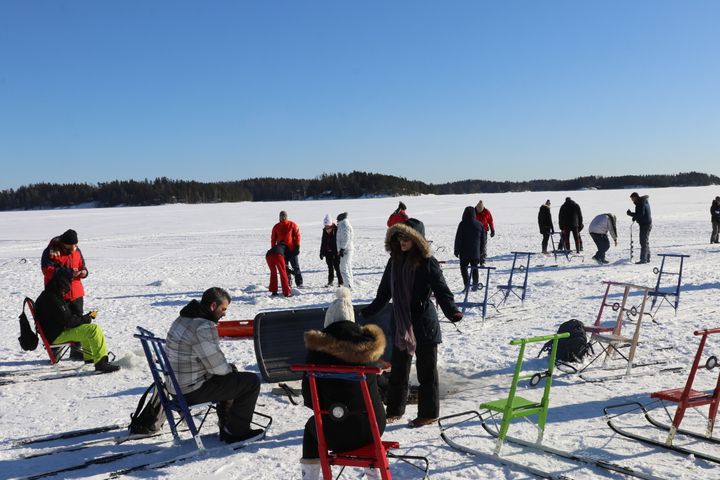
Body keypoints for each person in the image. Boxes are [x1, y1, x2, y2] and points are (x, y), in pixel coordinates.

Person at [361, 218, 462, 428]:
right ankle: (395, 410)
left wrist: (452, 312)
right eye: (399, 237)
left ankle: (428, 413)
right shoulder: (394, 261)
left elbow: (441, 290)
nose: (402, 241)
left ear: (417, 240)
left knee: (427, 373)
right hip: (401, 324)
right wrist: (367, 312)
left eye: (407, 237)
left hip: (424, 323)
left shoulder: (427, 262)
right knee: (398, 370)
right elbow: (384, 293)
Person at [300, 288, 387, 479]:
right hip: (373, 427)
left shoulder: (316, 353)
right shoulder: (369, 349)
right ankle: (373, 474)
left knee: (311, 427)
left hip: (335, 432)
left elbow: (309, 400)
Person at [166, 287, 263, 443]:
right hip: (190, 391)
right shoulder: (202, 326)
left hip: (175, 386)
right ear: (212, 306)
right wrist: (229, 370)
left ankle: (227, 426)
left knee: (231, 374)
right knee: (250, 382)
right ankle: (236, 432)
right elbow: (217, 368)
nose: (224, 313)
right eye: (223, 309)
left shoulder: (183, 319)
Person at [33, 268, 119, 372]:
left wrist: (82, 317)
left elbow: (65, 317)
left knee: (85, 328)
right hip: (56, 335)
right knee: (93, 329)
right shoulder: (53, 298)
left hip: (54, 332)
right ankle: (101, 363)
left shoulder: (49, 294)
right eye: (64, 289)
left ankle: (90, 358)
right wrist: (88, 317)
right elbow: (69, 322)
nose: (65, 292)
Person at [41, 229, 88, 316]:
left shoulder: (77, 250)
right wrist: (69, 272)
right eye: (70, 245)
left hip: (77, 294)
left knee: (79, 322)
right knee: (62, 323)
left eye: (75, 244)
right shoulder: (51, 251)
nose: (73, 247)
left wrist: (84, 272)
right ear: (63, 243)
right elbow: (47, 271)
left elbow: (82, 265)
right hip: (59, 295)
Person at [454, 206, 483, 290]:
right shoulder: (479, 224)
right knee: (474, 268)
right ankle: (475, 285)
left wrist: (456, 250)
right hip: (475, 252)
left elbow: (458, 238)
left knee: (464, 269)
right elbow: (483, 240)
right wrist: (480, 252)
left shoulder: (462, 224)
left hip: (464, 252)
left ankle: (467, 285)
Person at [271, 211, 302, 287]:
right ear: (279, 217)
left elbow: (297, 235)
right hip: (282, 252)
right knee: (285, 268)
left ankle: (299, 283)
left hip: (292, 250)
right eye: (282, 216)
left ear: (287, 217)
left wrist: (297, 246)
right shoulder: (276, 226)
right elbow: (273, 239)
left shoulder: (292, 224)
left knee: (296, 266)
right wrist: (273, 248)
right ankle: (288, 283)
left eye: (284, 216)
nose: (283, 217)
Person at [627, 192, 652, 264]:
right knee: (645, 241)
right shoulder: (642, 202)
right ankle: (647, 258)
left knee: (643, 242)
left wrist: (634, 216)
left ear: (635, 197)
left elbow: (641, 213)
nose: (632, 200)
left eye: (632, 198)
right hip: (645, 224)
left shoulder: (640, 203)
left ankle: (643, 259)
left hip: (645, 224)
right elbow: (640, 213)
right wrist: (631, 214)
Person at [319, 214, 343, 287]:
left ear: (331, 225)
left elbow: (340, 241)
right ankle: (330, 281)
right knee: (330, 267)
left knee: (337, 267)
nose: (326, 228)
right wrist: (321, 252)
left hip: (336, 252)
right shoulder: (324, 231)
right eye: (325, 226)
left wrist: (340, 250)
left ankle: (341, 282)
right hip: (328, 252)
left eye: (328, 226)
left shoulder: (337, 230)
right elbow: (323, 242)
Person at [336, 212, 354, 289]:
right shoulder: (343, 225)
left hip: (346, 250)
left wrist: (342, 248)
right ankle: (349, 284)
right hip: (346, 249)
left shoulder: (344, 226)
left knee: (343, 268)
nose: (337, 221)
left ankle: (348, 285)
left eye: (338, 219)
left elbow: (346, 238)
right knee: (347, 267)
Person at [474, 200, 495, 265]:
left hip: (484, 231)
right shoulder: (473, 211)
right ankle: (475, 258)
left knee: (483, 245)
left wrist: (492, 230)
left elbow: (490, 221)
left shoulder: (486, 212)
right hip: (475, 231)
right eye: (478, 210)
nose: (479, 211)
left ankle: (482, 259)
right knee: (476, 245)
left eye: (480, 210)